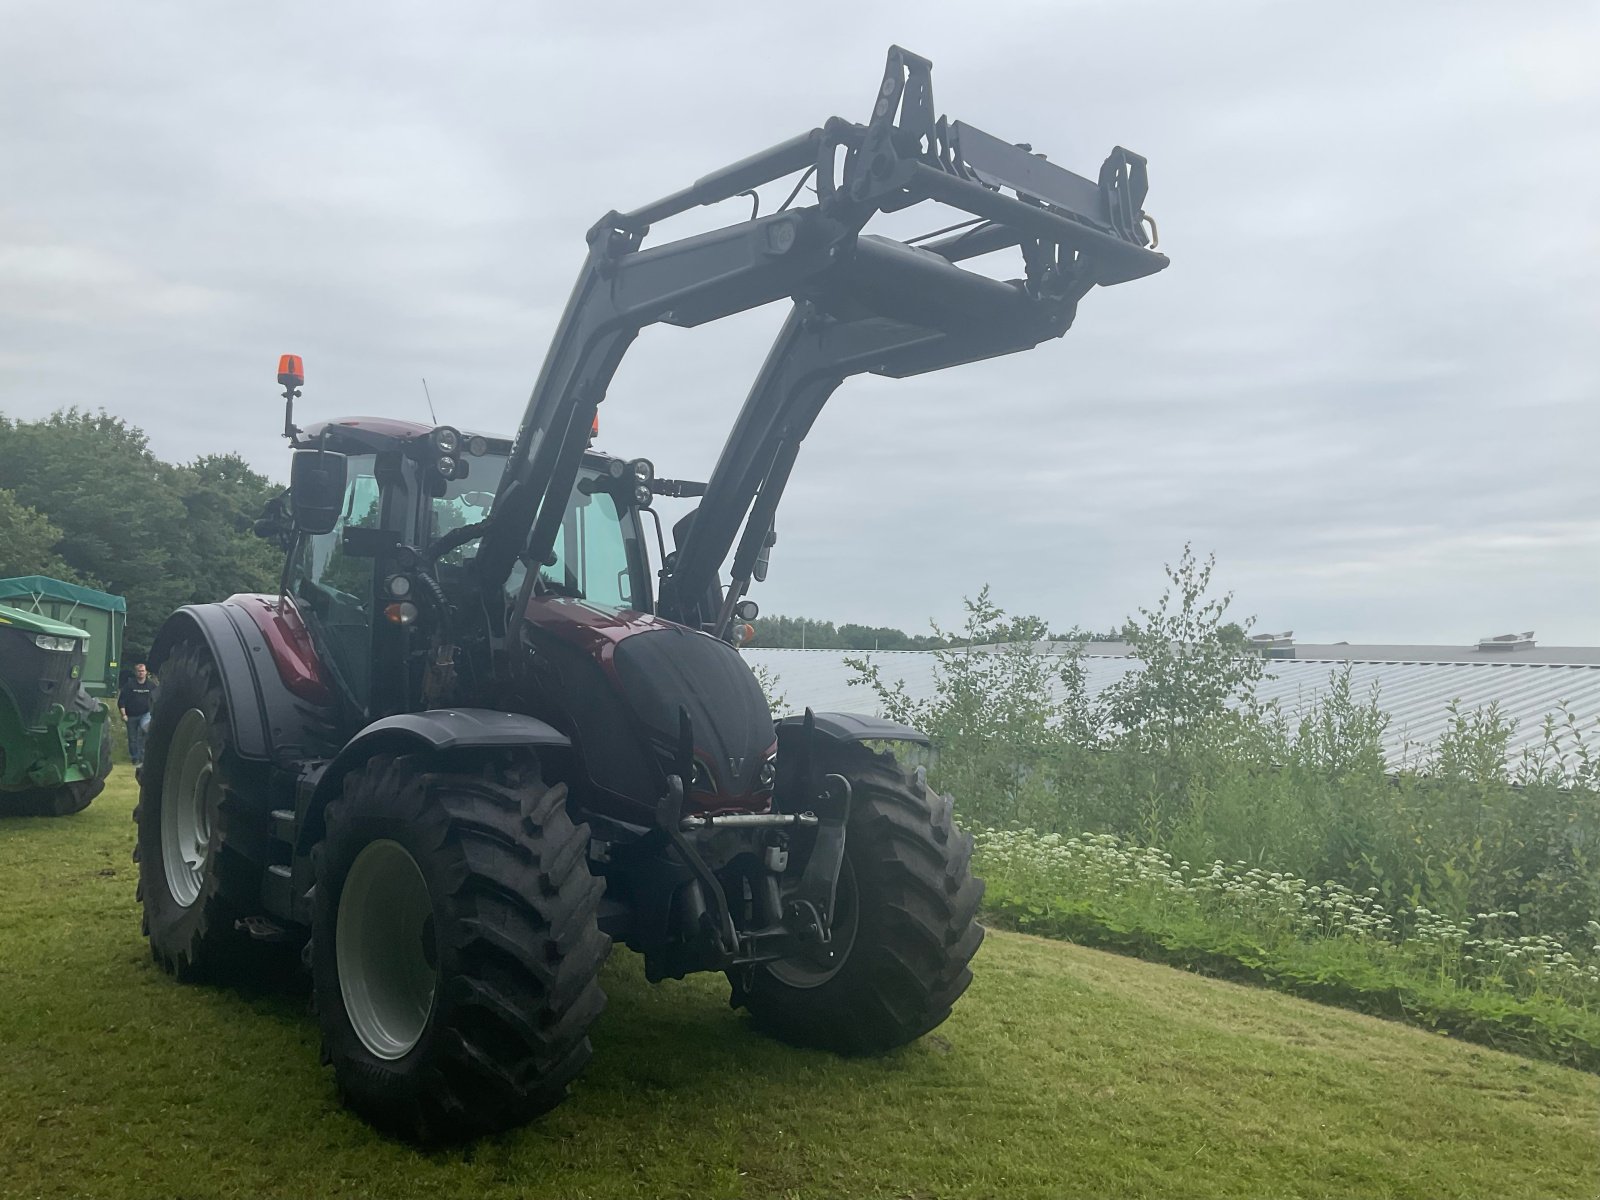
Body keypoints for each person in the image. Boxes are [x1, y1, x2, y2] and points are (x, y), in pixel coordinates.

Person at [117, 662, 159, 768]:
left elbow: (157, 699)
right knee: (133, 738)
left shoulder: (151, 685)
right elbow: (121, 701)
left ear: (146, 672)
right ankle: (135, 758)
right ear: (136, 673)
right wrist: (124, 714)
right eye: (139, 671)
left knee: (143, 735)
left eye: (143, 671)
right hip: (131, 715)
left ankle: (143, 758)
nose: (141, 673)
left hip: (146, 714)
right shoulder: (129, 685)